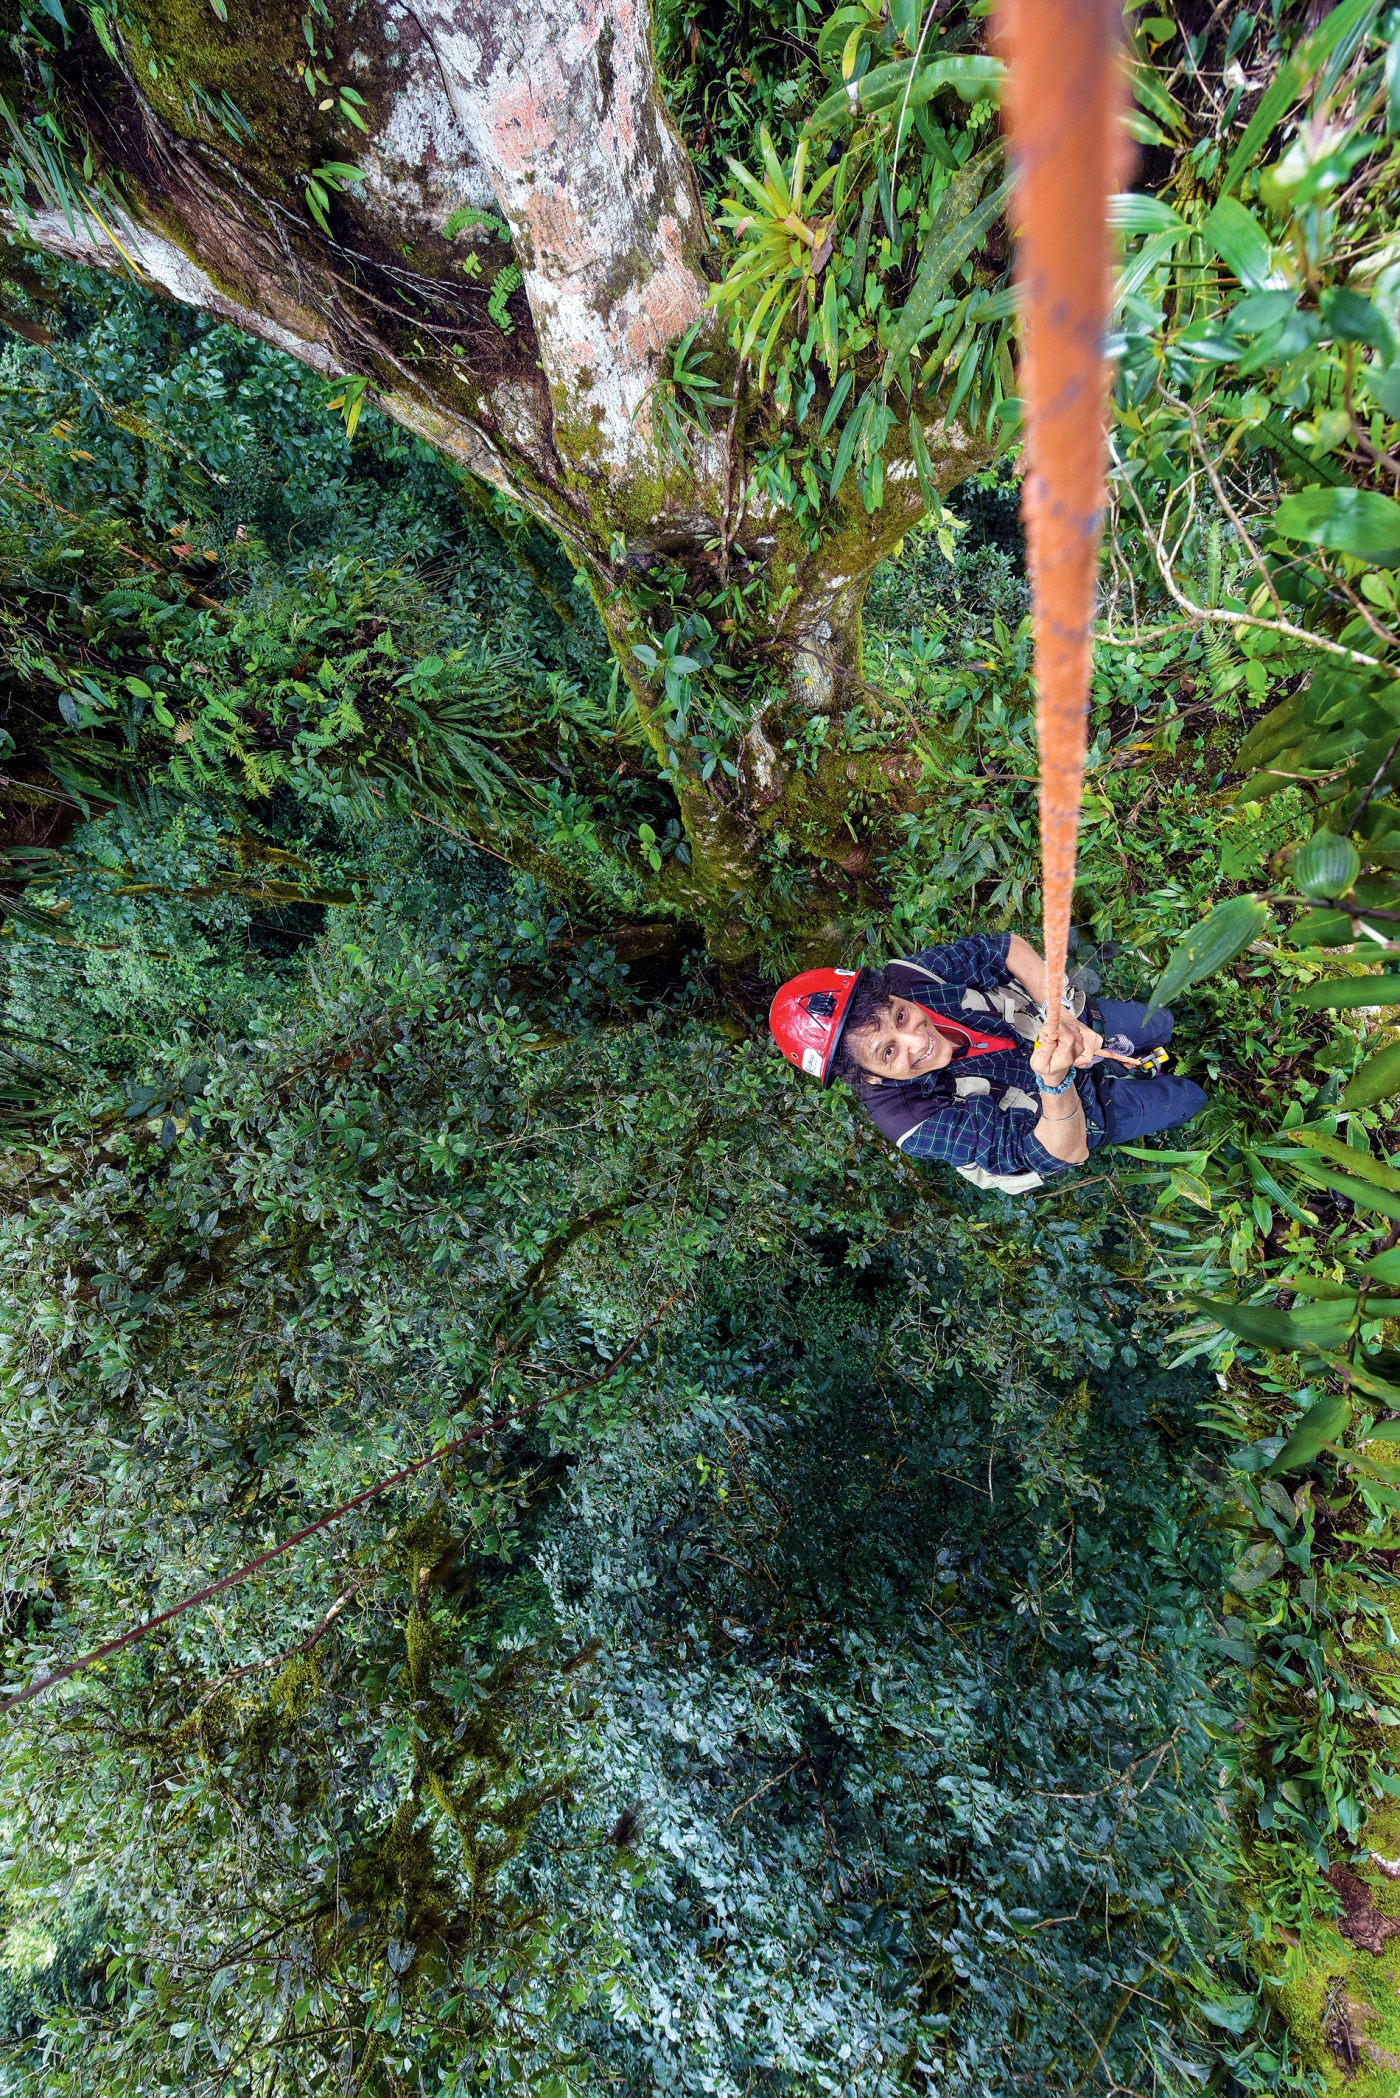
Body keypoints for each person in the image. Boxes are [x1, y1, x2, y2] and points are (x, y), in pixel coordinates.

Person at [768, 931, 1206, 1195]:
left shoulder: (910, 979)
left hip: (1069, 1023)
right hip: (1079, 1114)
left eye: (899, 1016)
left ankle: (1181, 1040)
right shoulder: (912, 1121)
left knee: (1161, 1021)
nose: (916, 1039)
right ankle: (1192, 1079)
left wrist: (1064, 1016)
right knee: (1186, 1098)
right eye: (888, 1052)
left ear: (891, 994)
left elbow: (1004, 949)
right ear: (865, 1075)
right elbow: (1062, 1152)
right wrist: (1055, 1083)